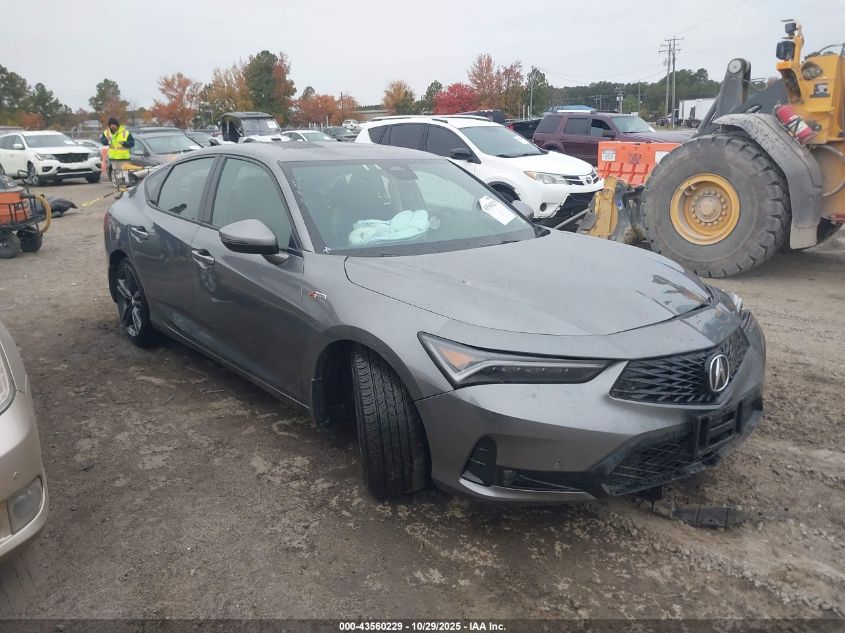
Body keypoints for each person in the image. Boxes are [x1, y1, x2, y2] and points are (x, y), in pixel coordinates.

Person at [100, 117, 135, 187]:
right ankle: (119, 185)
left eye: (113, 124)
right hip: (114, 158)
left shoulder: (125, 132)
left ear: (117, 125)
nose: (112, 126)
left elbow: (132, 143)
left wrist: (125, 143)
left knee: (126, 172)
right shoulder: (106, 132)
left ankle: (127, 184)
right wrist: (107, 140)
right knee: (117, 172)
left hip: (124, 157)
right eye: (110, 125)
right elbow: (103, 142)